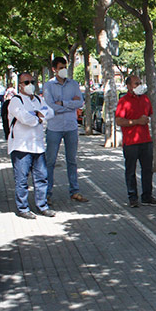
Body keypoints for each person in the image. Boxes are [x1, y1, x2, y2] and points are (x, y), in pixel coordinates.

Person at [8, 72, 56, 219]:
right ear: (20, 85)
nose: (30, 85)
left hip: (38, 146)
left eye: (32, 81)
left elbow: (51, 112)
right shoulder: (16, 101)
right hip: (21, 147)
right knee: (22, 179)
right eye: (26, 82)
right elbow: (25, 118)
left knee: (42, 177)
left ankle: (42, 205)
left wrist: (38, 115)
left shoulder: (37, 99)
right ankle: (23, 208)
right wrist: (39, 117)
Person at [43, 57, 88, 204]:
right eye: (61, 67)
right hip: (54, 127)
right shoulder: (48, 86)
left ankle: (74, 191)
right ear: (54, 69)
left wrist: (63, 103)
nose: (64, 70)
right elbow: (50, 106)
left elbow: (80, 102)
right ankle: (47, 193)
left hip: (71, 127)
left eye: (65, 67)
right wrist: (70, 105)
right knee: (50, 161)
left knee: (72, 160)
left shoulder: (73, 84)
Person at [115, 75, 156, 208]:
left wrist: (146, 121)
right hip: (130, 142)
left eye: (140, 83)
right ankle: (132, 197)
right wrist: (136, 122)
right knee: (131, 170)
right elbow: (119, 121)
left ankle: (147, 196)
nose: (139, 85)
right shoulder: (123, 101)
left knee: (147, 170)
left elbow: (150, 114)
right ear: (129, 86)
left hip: (146, 140)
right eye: (136, 83)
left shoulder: (145, 99)